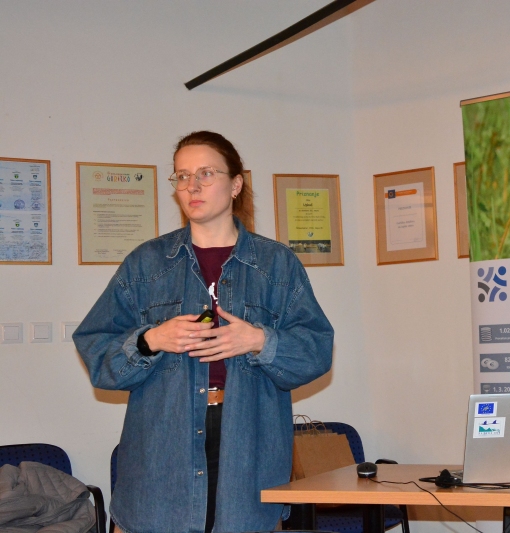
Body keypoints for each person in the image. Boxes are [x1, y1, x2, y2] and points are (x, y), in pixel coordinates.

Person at [73, 131, 334, 533]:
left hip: (249, 445)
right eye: (182, 176)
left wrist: (260, 341)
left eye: (206, 174)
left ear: (236, 184)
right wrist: (150, 341)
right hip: (163, 451)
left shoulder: (277, 265)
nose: (192, 186)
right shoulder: (145, 264)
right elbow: (97, 354)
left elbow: (316, 351)